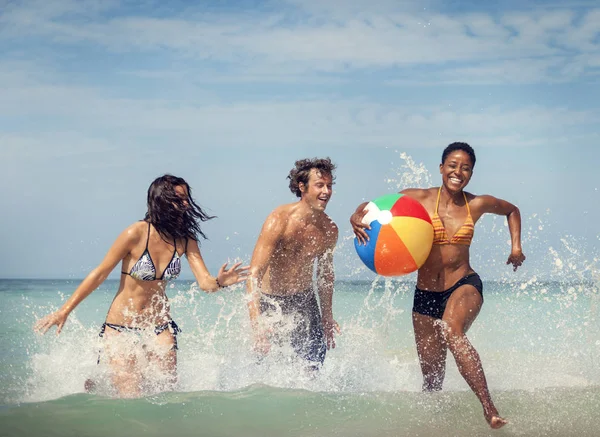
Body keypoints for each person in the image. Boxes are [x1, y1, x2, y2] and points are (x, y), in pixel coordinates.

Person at [351, 143, 525, 429]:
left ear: (471, 173)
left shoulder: (476, 204)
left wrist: (516, 247)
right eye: (453, 165)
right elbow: (371, 205)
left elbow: (512, 210)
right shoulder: (419, 198)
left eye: (465, 168)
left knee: (452, 331)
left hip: (464, 284)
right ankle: (433, 427)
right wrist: (356, 216)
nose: (458, 172)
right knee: (431, 379)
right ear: (442, 168)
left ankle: (489, 409)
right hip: (425, 295)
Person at [34, 174, 249, 397]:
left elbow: (205, 283)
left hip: (159, 327)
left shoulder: (186, 239)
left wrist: (220, 282)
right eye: (179, 198)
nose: (186, 204)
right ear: (162, 200)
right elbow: (100, 273)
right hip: (121, 327)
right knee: (130, 396)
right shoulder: (135, 233)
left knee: (166, 395)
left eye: (187, 199)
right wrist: (64, 311)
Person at [246, 158, 340, 371]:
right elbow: (254, 274)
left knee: (314, 367)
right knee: (268, 369)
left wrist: (327, 316)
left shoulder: (329, 230)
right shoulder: (279, 220)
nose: (326, 191)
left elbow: (325, 277)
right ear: (302, 187)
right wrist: (256, 323)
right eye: (320, 185)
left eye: (329, 185)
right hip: (271, 301)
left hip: (305, 301)